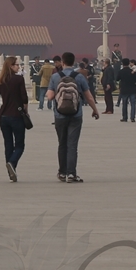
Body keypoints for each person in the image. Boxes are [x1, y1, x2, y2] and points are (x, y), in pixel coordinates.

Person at [45, 50, 97, 182]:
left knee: (62, 144)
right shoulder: (79, 76)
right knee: (72, 145)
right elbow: (89, 97)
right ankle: (72, 173)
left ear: (62, 62)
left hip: (60, 115)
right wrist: (94, 110)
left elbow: (50, 97)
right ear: (73, 62)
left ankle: (62, 172)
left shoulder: (56, 77)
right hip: (76, 114)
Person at [0, 55, 30, 182]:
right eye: (16, 65)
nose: (18, 67)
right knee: (20, 145)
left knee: (8, 144)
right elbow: (24, 97)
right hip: (16, 116)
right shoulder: (18, 79)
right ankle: (12, 163)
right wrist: (26, 110)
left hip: (3, 117)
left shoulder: (0, 80)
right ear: (10, 66)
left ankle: (11, 171)